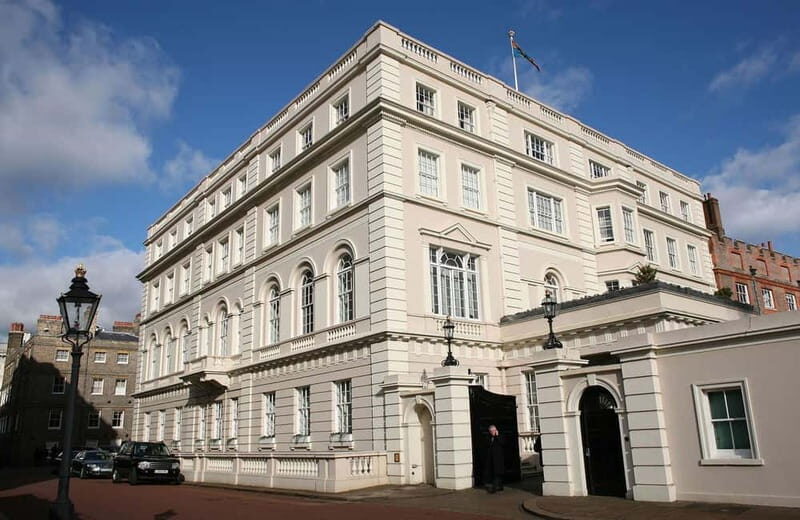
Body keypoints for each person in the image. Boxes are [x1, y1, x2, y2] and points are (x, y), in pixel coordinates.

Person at [483, 424, 505, 493]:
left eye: (493, 431)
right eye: (491, 431)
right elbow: (487, 445)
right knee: (496, 474)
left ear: (496, 430)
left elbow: (503, 443)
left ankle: (494, 489)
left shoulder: (500, 436)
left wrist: (497, 436)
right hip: (491, 459)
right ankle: (500, 486)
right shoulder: (488, 437)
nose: (492, 432)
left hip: (498, 459)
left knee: (497, 474)